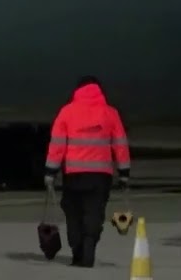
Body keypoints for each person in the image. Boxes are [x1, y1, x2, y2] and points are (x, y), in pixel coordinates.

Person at [44, 75, 131, 268]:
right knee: (94, 211)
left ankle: (77, 250)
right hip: (101, 175)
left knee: (73, 212)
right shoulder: (110, 113)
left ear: (77, 91)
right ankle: (89, 245)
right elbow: (120, 145)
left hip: (74, 174)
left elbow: (57, 146)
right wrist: (124, 173)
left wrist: (50, 172)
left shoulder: (67, 112)